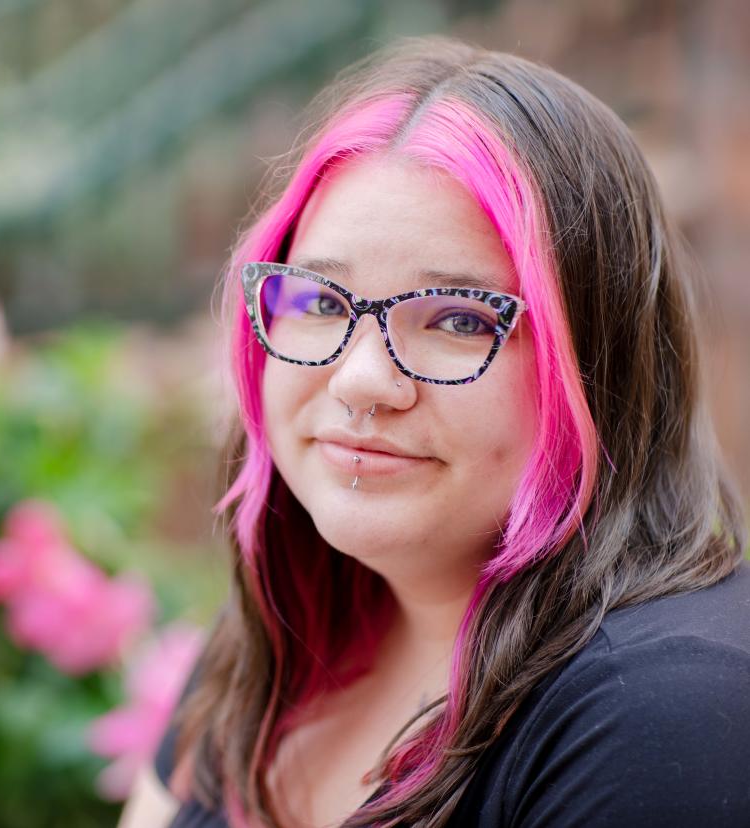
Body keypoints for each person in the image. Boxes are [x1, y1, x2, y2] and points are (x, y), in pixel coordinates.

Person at [117, 36, 750, 828]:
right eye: (319, 302)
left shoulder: (662, 718)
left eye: (458, 318)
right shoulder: (284, 630)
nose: (360, 380)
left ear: (599, 365)